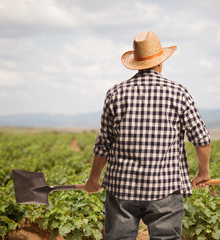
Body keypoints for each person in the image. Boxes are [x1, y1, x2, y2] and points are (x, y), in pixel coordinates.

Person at [84, 31, 211, 240]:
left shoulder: (115, 93)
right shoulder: (179, 93)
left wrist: (93, 179)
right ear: (160, 63)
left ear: (136, 63)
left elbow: (103, 144)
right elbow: (202, 140)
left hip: (121, 187)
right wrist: (203, 173)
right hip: (166, 188)